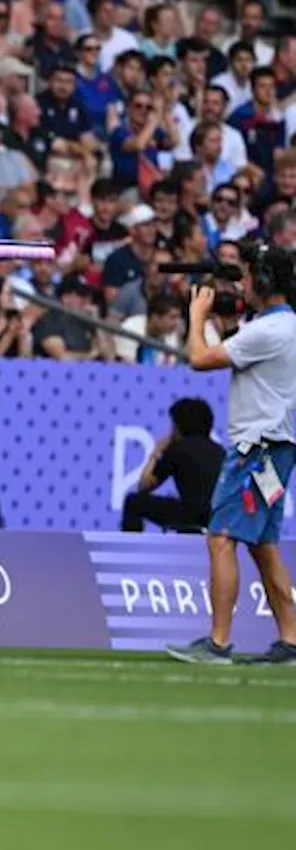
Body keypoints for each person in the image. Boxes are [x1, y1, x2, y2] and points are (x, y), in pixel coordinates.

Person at [167, 253, 296, 665]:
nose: (242, 286)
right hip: (277, 447)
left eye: (247, 279)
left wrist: (196, 313)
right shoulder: (283, 326)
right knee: (263, 545)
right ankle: (290, 640)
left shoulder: (271, 329)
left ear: (263, 280)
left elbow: (200, 359)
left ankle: (218, 643)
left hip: (254, 450)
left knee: (221, 537)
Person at [122, 398, 224, 533]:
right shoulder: (221, 451)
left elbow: (144, 486)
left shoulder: (177, 450)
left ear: (179, 426)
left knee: (133, 502)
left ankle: (130, 548)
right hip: (217, 516)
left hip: (189, 516)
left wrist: (156, 453)